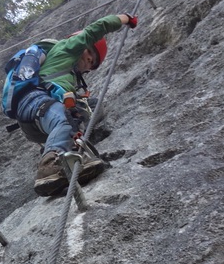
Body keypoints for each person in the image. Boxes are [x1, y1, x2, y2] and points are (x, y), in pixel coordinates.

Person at [13, 13, 137, 196]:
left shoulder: (65, 73)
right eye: (90, 56)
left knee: (85, 110)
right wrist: (125, 18)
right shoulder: (67, 48)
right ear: (81, 46)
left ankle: (66, 164)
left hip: (35, 122)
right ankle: (49, 166)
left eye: (93, 64)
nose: (89, 64)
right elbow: (96, 28)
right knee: (64, 120)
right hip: (35, 101)